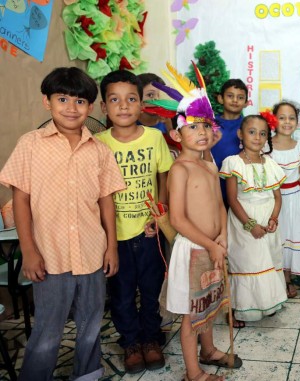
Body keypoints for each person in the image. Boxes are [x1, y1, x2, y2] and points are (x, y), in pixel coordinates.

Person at [0, 67, 126, 380]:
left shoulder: (99, 151)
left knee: (90, 325)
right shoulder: (30, 144)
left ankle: (86, 375)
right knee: (48, 330)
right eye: (63, 98)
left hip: (91, 254)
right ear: (47, 102)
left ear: (91, 108)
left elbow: (106, 201)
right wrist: (28, 252)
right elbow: (20, 201)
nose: (71, 107)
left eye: (80, 101)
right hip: (49, 257)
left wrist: (111, 247)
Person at [147, 62, 242, 381]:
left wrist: (223, 238)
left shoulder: (208, 164)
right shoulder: (181, 169)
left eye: (206, 126)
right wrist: (209, 245)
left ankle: (209, 350)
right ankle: (193, 373)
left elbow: (219, 205)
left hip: (213, 248)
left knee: (210, 305)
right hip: (193, 251)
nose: (201, 132)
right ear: (176, 133)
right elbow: (178, 219)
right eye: (192, 126)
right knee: (191, 315)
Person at [96, 70, 174, 374]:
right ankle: (130, 341)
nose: (124, 106)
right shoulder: (99, 143)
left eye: (131, 99)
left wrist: (161, 211)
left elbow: (163, 175)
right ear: (104, 107)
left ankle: (151, 339)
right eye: (115, 100)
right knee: (122, 293)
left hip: (150, 230)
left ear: (142, 105)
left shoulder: (154, 138)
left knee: (151, 290)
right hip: (116, 236)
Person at [220, 114, 288, 328]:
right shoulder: (233, 162)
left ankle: (265, 303)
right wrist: (250, 225)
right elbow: (232, 199)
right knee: (248, 262)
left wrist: (274, 218)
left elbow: (277, 197)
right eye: (252, 132)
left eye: (262, 133)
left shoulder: (271, 163)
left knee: (268, 260)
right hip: (244, 222)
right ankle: (238, 310)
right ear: (240, 134)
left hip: (267, 221)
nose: (257, 137)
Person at [269, 100, 300, 298]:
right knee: (274, 238)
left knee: (290, 237)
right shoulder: (265, 146)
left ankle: (287, 279)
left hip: (294, 201)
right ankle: (272, 280)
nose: (287, 122)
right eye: (282, 117)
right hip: (271, 200)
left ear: (297, 121)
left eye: (292, 118)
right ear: (273, 120)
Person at [212, 79, 249, 208]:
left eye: (240, 97)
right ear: (220, 98)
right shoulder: (210, 124)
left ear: (246, 103)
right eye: (230, 96)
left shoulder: (249, 126)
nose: (235, 100)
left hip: (240, 189)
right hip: (213, 185)